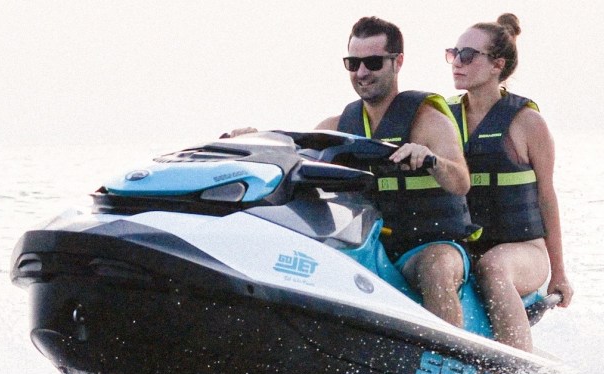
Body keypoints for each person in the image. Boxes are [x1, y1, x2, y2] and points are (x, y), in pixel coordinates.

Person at [232, 16, 479, 327]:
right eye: (354, 63)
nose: (362, 72)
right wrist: (256, 138)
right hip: (369, 244)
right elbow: (293, 150)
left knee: (436, 268)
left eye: (373, 62)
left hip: (432, 244)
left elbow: (460, 182)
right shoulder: (338, 125)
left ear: (397, 62)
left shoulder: (428, 121)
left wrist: (431, 159)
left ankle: (449, 362)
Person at [444, 13, 574, 351]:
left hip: (525, 251)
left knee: (493, 267)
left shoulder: (528, 123)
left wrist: (559, 273)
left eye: (468, 56)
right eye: (453, 54)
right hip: (466, 245)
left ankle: (517, 372)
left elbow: (547, 197)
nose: (457, 62)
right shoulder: (440, 118)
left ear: (496, 65)